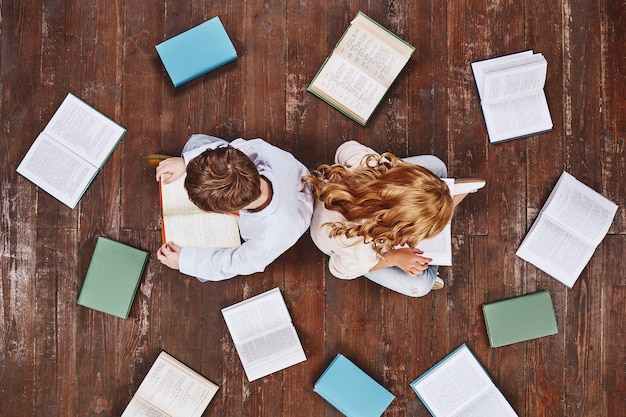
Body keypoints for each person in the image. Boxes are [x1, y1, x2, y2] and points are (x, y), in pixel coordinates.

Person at [305, 140, 485, 297]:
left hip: (336, 192)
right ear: (401, 231)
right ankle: (444, 201)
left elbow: (344, 149)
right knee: (421, 285)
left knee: (436, 166)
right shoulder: (360, 253)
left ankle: (437, 201)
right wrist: (393, 258)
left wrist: (388, 170)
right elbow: (337, 270)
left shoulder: (368, 165)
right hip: (349, 244)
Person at [154, 134, 314, 281]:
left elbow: (236, 264)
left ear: (232, 213)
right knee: (196, 144)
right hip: (287, 182)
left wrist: (183, 261)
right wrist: (185, 162)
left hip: (278, 221)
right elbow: (233, 151)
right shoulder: (257, 152)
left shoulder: (268, 240)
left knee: (202, 270)